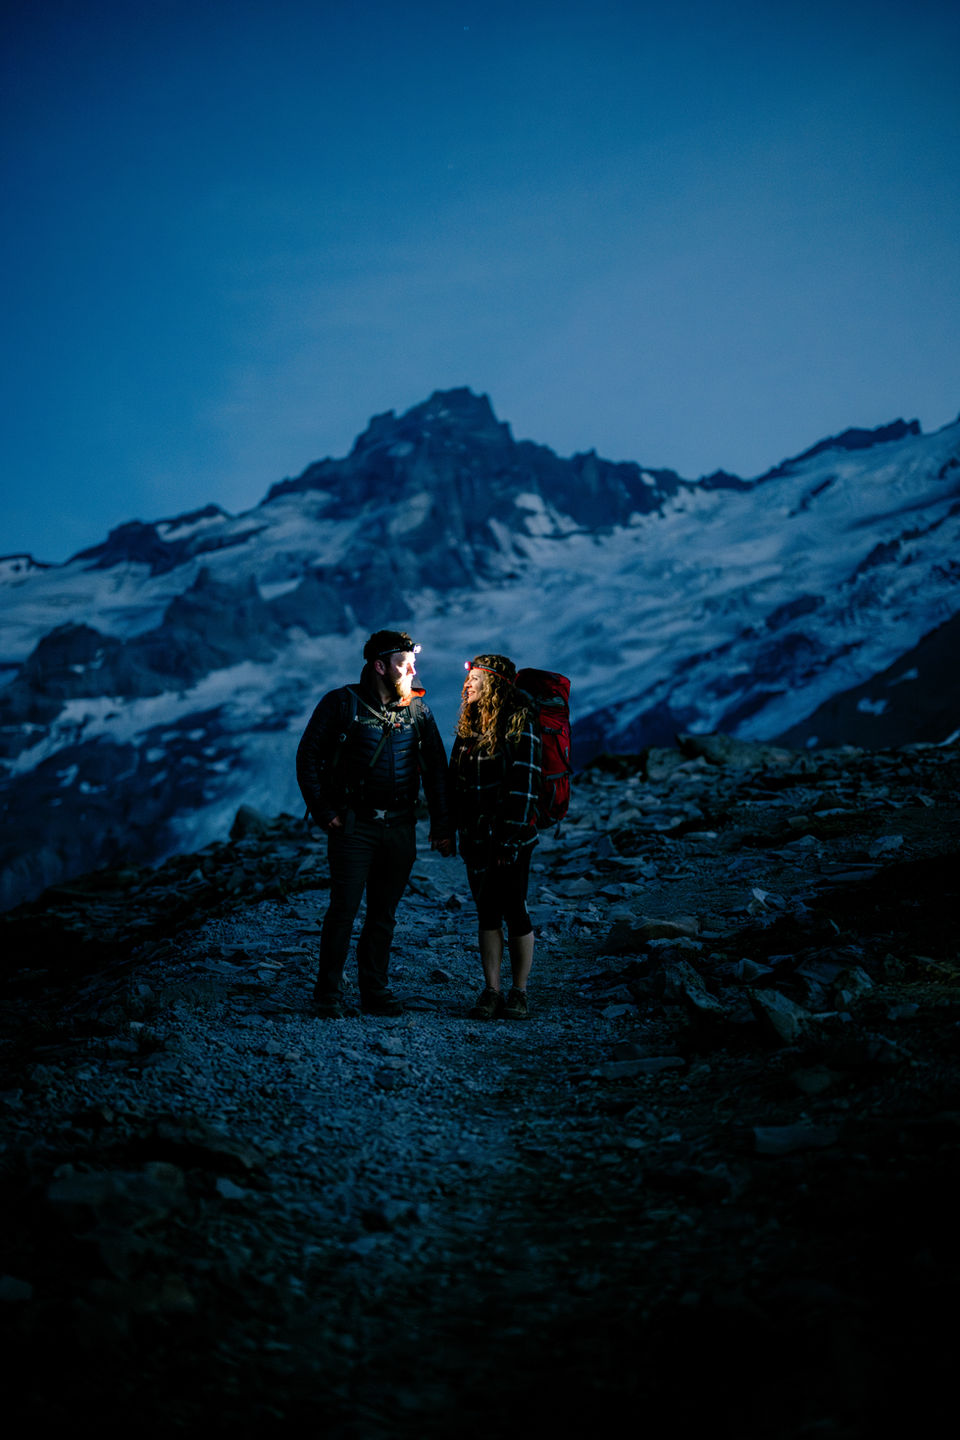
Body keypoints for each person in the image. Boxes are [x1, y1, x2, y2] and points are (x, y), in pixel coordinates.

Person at [296, 630, 454, 1018]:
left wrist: (442, 825)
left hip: (400, 828)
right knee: (343, 911)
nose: (412, 669)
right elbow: (307, 758)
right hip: (354, 827)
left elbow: (436, 769)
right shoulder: (340, 704)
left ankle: (374, 991)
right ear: (380, 666)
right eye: (404, 663)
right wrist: (323, 811)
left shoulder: (418, 710)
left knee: (383, 914)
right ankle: (327, 993)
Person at [451, 654, 542, 1020]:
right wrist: (449, 829)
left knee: (515, 909)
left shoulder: (521, 724)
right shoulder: (469, 727)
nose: (467, 685)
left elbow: (525, 787)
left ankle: (519, 992)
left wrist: (508, 841)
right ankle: (492, 990)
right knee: (487, 912)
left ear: (493, 684)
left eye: (475, 679)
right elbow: (456, 783)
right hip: (475, 839)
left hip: (510, 839)